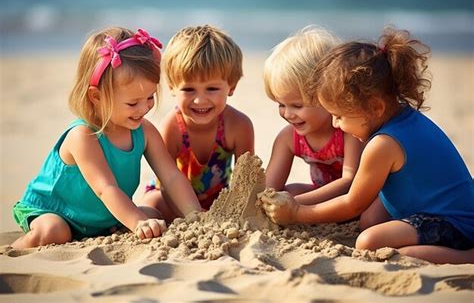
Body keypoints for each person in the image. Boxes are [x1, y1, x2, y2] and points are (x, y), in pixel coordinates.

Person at [260, 27, 474, 264]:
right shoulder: (404, 118)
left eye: (339, 116)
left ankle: (466, 256)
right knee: (369, 222)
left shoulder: (382, 144)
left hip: (455, 224)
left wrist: (297, 213)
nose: (335, 123)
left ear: (375, 108)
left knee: (368, 242)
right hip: (439, 211)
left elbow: (353, 202)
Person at [11, 27, 202, 249]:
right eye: (132, 103)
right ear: (97, 96)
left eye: (149, 97)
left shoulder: (145, 131)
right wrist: (138, 222)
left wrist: (194, 215)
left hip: (103, 218)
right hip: (55, 212)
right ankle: (13, 250)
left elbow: (170, 176)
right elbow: (106, 189)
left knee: (153, 214)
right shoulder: (83, 136)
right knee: (55, 231)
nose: (144, 108)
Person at [137, 25, 254, 223]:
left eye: (212, 89)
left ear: (231, 86)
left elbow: (246, 179)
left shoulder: (239, 126)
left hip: (217, 200)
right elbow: (167, 182)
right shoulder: (172, 127)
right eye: (189, 89)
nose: (200, 100)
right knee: (152, 205)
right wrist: (192, 215)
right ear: (173, 87)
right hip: (170, 198)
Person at [263, 26, 363, 206]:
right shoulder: (288, 138)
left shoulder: (348, 131)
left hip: (357, 198)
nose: (287, 114)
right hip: (321, 194)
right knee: (286, 192)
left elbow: (350, 182)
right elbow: (269, 187)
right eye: (281, 104)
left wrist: (294, 204)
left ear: (328, 95)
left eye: (297, 105)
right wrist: (275, 199)